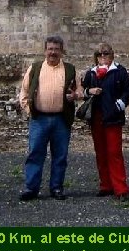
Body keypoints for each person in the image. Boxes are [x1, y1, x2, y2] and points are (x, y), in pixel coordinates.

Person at [18, 35, 82, 201]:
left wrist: (74, 95)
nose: (53, 52)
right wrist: (29, 110)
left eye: (56, 49)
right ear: (45, 51)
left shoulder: (70, 69)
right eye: (50, 49)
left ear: (61, 51)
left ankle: (57, 188)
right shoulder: (35, 68)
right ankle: (31, 188)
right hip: (39, 119)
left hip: (62, 119)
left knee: (60, 156)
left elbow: (79, 92)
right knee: (35, 154)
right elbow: (24, 91)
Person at [82, 43, 129, 202]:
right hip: (96, 118)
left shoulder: (120, 72)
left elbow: (128, 91)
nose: (102, 56)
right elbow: (83, 91)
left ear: (112, 55)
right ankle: (106, 185)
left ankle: (121, 188)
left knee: (114, 152)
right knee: (101, 152)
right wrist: (89, 91)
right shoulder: (91, 73)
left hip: (113, 117)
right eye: (99, 54)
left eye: (105, 53)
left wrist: (119, 105)